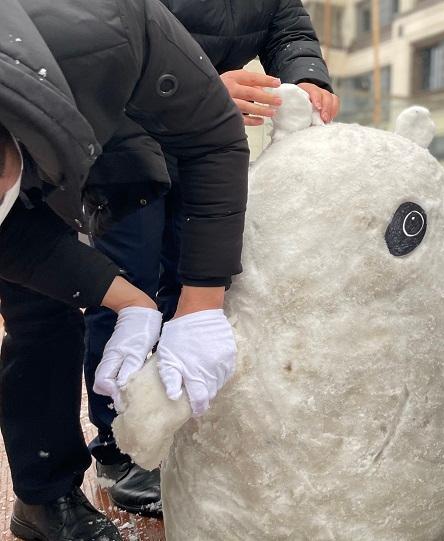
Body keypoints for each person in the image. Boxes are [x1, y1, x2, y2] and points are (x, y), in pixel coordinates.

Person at [0, 0, 251, 538]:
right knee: (37, 318)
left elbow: (214, 136)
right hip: (38, 143)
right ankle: (45, 495)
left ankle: (125, 451)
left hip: (114, 134)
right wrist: (130, 303)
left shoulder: (110, 27)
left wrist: (202, 304)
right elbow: (13, 242)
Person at [82, 0, 338, 516]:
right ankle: (121, 443)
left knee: (195, 283)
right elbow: (107, 48)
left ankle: (177, 421)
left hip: (209, 145)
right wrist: (193, 86)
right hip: (128, 144)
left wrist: (308, 76)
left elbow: (287, 26)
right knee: (128, 291)